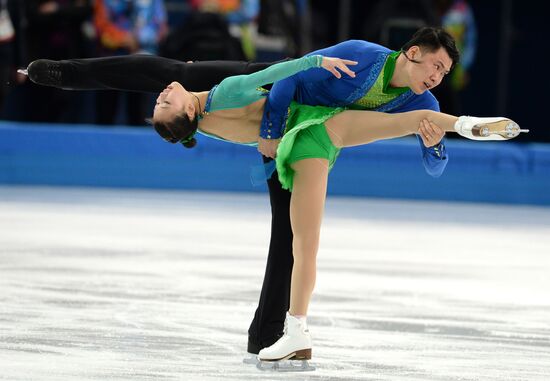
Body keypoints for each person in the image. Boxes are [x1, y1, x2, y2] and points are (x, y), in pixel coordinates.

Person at [23, 27, 488, 357]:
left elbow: (434, 163)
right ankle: (63, 73)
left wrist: (434, 150)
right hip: (268, 88)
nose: (438, 78)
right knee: (173, 73)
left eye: (446, 73)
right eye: (437, 66)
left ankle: (267, 336)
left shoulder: (425, 103)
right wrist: (267, 131)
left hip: (298, 132)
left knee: (287, 236)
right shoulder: (364, 55)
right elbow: (291, 77)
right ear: (412, 52)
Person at [146, 53, 525, 362]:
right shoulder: (223, 93)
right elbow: (276, 72)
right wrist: (313, 62)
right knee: (411, 121)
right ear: (189, 114)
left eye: (160, 100)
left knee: (304, 245)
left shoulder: (205, 127)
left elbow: (252, 121)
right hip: (319, 128)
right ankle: (467, 123)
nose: (162, 93)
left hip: (307, 147)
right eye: (166, 101)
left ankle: (297, 331)